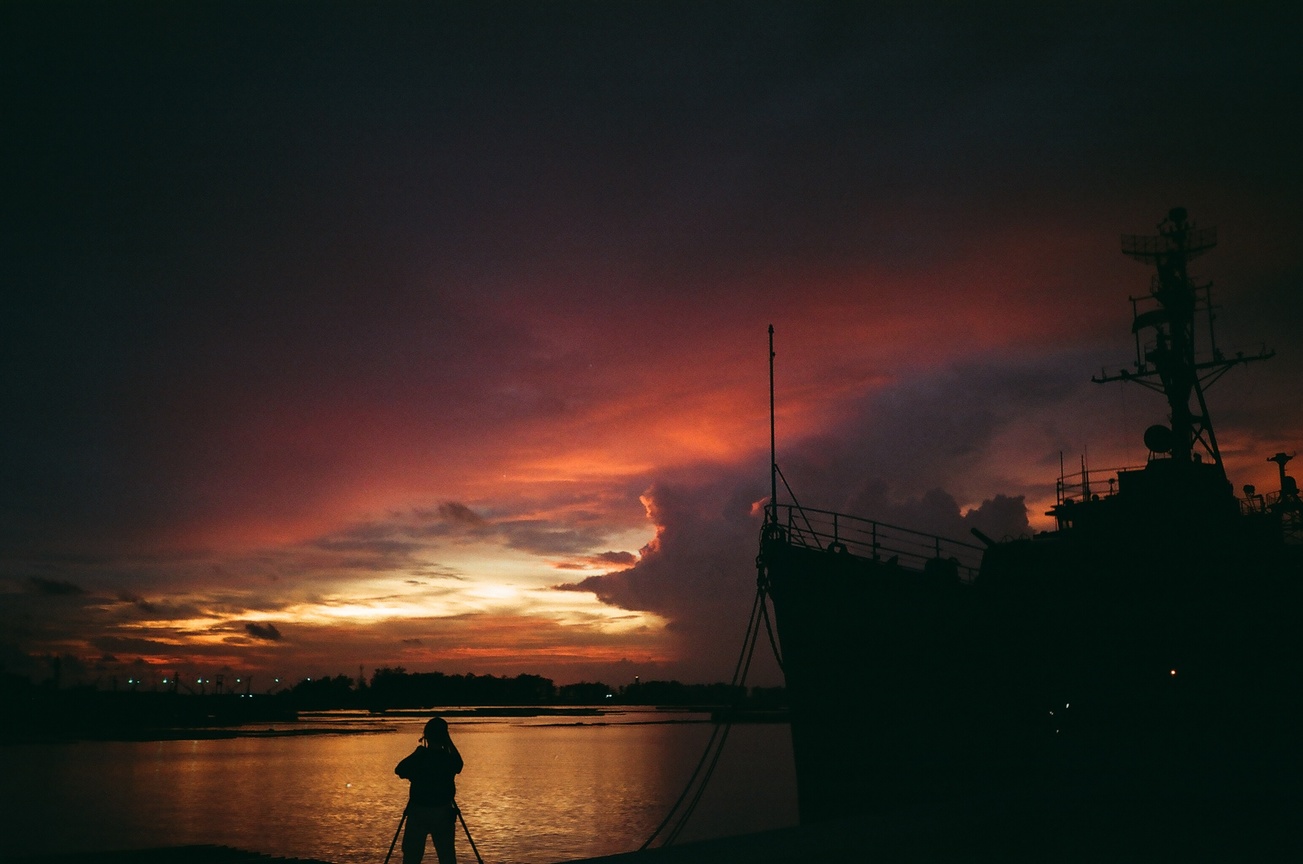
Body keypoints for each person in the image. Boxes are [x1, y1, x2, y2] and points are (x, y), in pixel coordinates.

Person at [395, 716, 465, 864]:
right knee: (447, 857)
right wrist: (448, 742)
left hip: (418, 812)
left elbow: (400, 770)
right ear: (445, 736)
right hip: (442, 812)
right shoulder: (448, 758)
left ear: (426, 735)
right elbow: (459, 765)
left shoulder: (420, 756)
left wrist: (417, 753)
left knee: (411, 858)